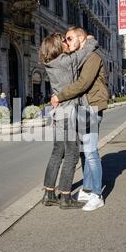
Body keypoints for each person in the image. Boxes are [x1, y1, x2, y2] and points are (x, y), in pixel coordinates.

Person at [51, 26, 109, 212]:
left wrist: (59, 96)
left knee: (91, 151)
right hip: (83, 108)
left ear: (81, 38)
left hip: (91, 106)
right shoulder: (83, 56)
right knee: (85, 151)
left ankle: (97, 195)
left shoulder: (92, 57)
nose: (66, 42)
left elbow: (82, 84)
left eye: (69, 38)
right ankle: (87, 188)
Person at [40, 32, 98, 210]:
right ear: (58, 46)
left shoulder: (51, 63)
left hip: (58, 113)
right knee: (72, 154)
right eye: (64, 41)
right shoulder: (64, 62)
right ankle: (65, 197)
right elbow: (85, 51)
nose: (67, 42)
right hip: (69, 113)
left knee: (58, 152)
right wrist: (89, 39)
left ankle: (49, 193)